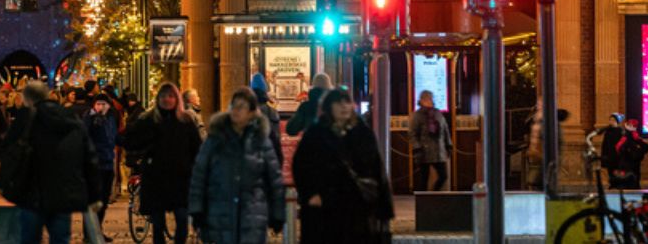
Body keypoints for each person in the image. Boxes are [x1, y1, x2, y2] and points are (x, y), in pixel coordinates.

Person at [0, 81, 97, 244]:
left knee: (29, 238)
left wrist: (5, 183)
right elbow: (88, 154)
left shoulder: (25, 118)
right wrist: (94, 192)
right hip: (62, 191)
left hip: (31, 191)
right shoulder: (67, 115)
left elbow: (9, 150)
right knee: (60, 238)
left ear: (27, 99)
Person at [290, 88, 392, 244]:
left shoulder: (363, 133)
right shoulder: (316, 134)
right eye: (338, 102)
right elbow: (301, 166)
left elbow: (377, 169)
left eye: (347, 102)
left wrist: (384, 205)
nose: (344, 106)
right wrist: (310, 194)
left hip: (358, 205)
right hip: (326, 206)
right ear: (329, 107)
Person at [188, 87, 284, 244]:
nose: (236, 110)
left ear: (252, 113)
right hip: (219, 215)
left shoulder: (260, 141)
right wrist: (197, 210)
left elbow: (274, 178)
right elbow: (200, 175)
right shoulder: (216, 139)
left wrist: (277, 213)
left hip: (252, 217)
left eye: (242, 106)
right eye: (234, 105)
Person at [120, 82, 202, 244]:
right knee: (157, 224)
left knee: (182, 220)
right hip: (156, 179)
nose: (167, 100)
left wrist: (195, 169)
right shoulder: (149, 120)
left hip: (181, 179)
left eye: (171, 96)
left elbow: (196, 148)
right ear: (158, 99)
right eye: (164, 96)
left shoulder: (185, 120)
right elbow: (132, 141)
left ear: (177, 98)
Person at [83, 93, 119, 232]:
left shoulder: (110, 118)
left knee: (104, 201)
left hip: (108, 163)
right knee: (93, 201)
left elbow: (114, 137)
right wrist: (93, 119)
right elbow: (84, 135)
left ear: (109, 106)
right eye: (98, 104)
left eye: (103, 104)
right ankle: (89, 233)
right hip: (94, 164)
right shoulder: (89, 118)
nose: (101, 106)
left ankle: (98, 230)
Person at [409, 90, 452, 191]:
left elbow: (445, 130)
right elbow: (412, 134)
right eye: (429, 98)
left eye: (432, 98)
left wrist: (449, 145)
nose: (431, 101)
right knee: (424, 179)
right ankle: (423, 202)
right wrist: (417, 148)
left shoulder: (438, 114)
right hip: (424, 151)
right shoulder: (417, 116)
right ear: (422, 100)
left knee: (443, 176)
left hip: (438, 150)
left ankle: (433, 195)